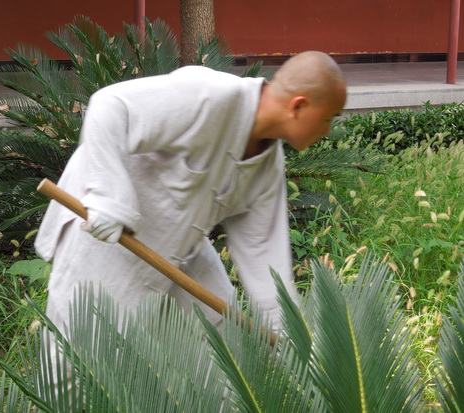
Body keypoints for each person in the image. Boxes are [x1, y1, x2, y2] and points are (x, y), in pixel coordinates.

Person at [35, 50, 346, 338]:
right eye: (328, 118)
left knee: (224, 338)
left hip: (181, 251)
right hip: (105, 235)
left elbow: (266, 260)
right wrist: (108, 197)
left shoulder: (268, 166)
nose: (328, 130)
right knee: (81, 356)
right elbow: (111, 104)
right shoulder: (210, 94)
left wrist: (290, 336)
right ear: (299, 106)